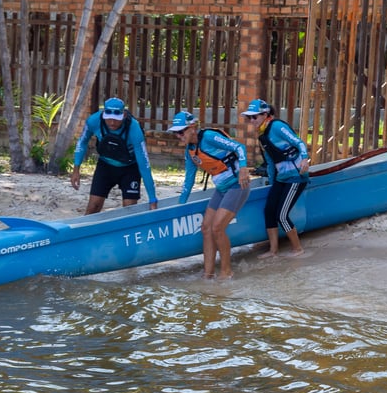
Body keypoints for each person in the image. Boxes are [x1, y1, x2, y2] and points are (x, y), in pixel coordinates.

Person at [168, 111, 252, 280]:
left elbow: (239, 147)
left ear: (192, 128)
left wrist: (243, 168)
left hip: (237, 185)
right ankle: (208, 274)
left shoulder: (209, 137)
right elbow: (188, 181)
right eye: (175, 132)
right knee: (206, 228)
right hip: (221, 189)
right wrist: (180, 204)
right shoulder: (189, 151)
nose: (178, 136)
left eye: (181, 131)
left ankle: (226, 271)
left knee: (217, 227)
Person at [242, 99, 310, 258]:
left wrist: (305, 159)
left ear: (265, 114)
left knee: (281, 215)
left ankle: (297, 249)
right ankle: (273, 251)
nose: (251, 121)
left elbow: (298, 142)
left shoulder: (277, 126)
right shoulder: (262, 135)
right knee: (269, 211)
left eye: (254, 117)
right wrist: (273, 185)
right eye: (249, 118)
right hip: (281, 179)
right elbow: (271, 163)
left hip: (295, 177)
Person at [70, 97, 158, 214]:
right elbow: (82, 141)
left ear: (124, 115)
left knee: (129, 210)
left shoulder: (134, 128)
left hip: (130, 168)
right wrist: (76, 169)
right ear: (103, 114)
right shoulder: (93, 121)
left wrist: (152, 198)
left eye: (116, 119)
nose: (112, 122)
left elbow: (144, 164)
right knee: (93, 206)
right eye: (109, 119)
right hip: (105, 166)